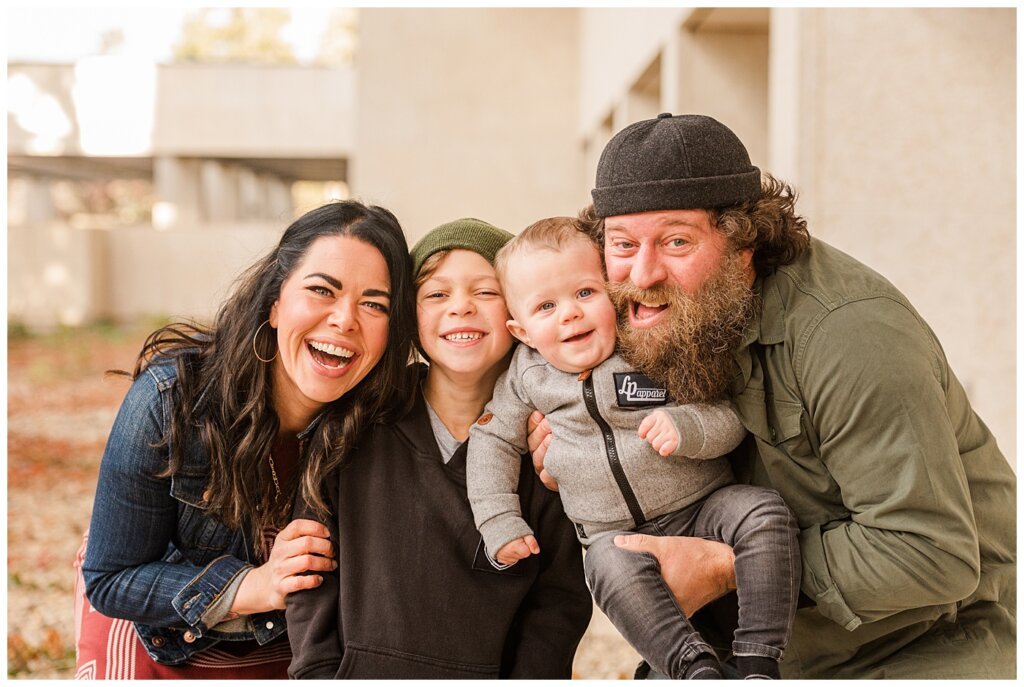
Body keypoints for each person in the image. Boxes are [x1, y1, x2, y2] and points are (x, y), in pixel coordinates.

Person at [530, 113, 1016, 678]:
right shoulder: (640, 311)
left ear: (744, 244)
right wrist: (571, 446)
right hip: (749, 648)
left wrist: (729, 567)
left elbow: (932, 552)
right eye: (622, 243)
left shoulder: (850, 336)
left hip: (915, 647)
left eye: (676, 240)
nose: (642, 273)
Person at [74, 200, 418, 678]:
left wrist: (548, 437)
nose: (345, 320)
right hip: (158, 630)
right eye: (322, 290)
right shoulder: (172, 399)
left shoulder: (387, 417)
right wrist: (252, 585)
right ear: (276, 303)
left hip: (284, 638)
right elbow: (111, 579)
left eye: (374, 304)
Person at [466, 217, 799, 679]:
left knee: (763, 510)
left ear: (610, 291)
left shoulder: (646, 345)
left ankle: (759, 658)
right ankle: (691, 667)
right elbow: (491, 439)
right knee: (604, 565)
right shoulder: (525, 378)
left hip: (702, 508)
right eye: (546, 306)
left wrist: (687, 426)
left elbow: (727, 414)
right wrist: (499, 518)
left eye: (585, 293)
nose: (570, 313)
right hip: (615, 534)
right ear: (520, 331)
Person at [285, 218, 592, 679]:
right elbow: (311, 575)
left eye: (485, 293)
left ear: (519, 318)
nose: (461, 308)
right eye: (437, 294)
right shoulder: (356, 422)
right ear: (410, 316)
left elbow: (557, 604)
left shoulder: (545, 444)